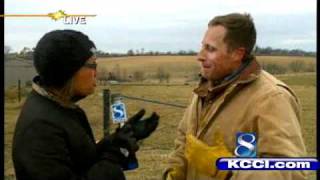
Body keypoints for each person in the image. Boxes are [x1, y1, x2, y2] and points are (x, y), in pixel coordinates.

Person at [164, 13, 307, 180]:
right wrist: (174, 171)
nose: (200, 56)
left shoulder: (272, 97)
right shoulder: (206, 88)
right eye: (202, 46)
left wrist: (225, 169)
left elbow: (290, 171)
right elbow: (184, 141)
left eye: (210, 49)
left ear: (237, 54)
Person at [12, 29, 159, 180]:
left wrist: (119, 139)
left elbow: (82, 158)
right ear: (69, 70)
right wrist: (115, 155)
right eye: (92, 65)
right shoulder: (40, 129)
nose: (96, 73)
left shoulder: (60, 108)